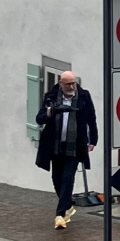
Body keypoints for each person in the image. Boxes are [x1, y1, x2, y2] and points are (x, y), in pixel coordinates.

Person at [34, 71, 97, 230]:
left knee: (68, 177)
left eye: (74, 83)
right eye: (68, 84)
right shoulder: (51, 96)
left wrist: (93, 140)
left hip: (75, 145)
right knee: (56, 178)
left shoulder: (83, 96)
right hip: (55, 144)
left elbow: (91, 118)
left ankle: (60, 214)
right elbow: (39, 119)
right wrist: (48, 114)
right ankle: (68, 205)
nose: (72, 86)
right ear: (61, 83)